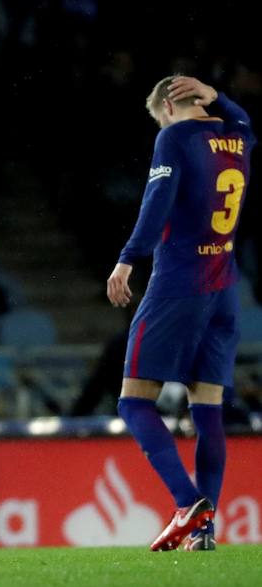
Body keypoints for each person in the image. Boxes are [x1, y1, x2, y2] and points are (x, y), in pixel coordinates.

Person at [107, 75, 255, 552]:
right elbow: (244, 120)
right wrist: (220, 97)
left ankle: (188, 503)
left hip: (179, 283)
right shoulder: (237, 135)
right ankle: (205, 532)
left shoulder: (174, 137)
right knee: (207, 410)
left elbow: (157, 201)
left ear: (168, 109)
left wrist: (128, 258)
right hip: (225, 287)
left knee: (133, 402)